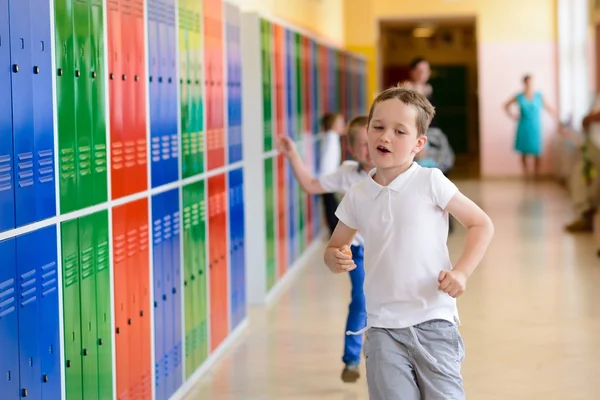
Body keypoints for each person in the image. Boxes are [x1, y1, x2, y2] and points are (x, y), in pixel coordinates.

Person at [324, 85, 494, 399]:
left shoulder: (430, 182)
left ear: (418, 144)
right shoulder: (358, 195)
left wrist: (461, 273)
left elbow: (481, 223)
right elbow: (335, 246)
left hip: (434, 321)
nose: (384, 137)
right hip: (382, 327)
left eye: (399, 131)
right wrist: (335, 257)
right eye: (378, 127)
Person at [277, 116, 373, 383]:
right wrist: (293, 154)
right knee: (362, 300)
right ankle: (352, 360)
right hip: (359, 252)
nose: (370, 150)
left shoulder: (397, 172)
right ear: (352, 149)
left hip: (390, 252)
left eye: (373, 142)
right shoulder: (347, 174)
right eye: (362, 145)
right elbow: (311, 185)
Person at [504, 74, 559, 178]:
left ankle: (536, 175)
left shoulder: (539, 96)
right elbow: (505, 105)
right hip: (523, 126)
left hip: (535, 127)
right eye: (528, 82)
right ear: (524, 83)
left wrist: (557, 114)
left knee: (537, 151)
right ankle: (526, 174)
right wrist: (512, 116)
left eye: (531, 82)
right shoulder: (519, 96)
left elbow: (549, 108)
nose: (530, 84)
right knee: (523, 152)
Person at [318, 112, 346, 236]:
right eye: (339, 123)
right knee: (331, 206)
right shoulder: (330, 138)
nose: (343, 126)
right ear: (332, 125)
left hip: (328, 178)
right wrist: (329, 180)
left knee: (331, 204)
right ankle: (334, 231)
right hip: (327, 178)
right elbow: (326, 162)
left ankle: (334, 231)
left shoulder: (332, 137)